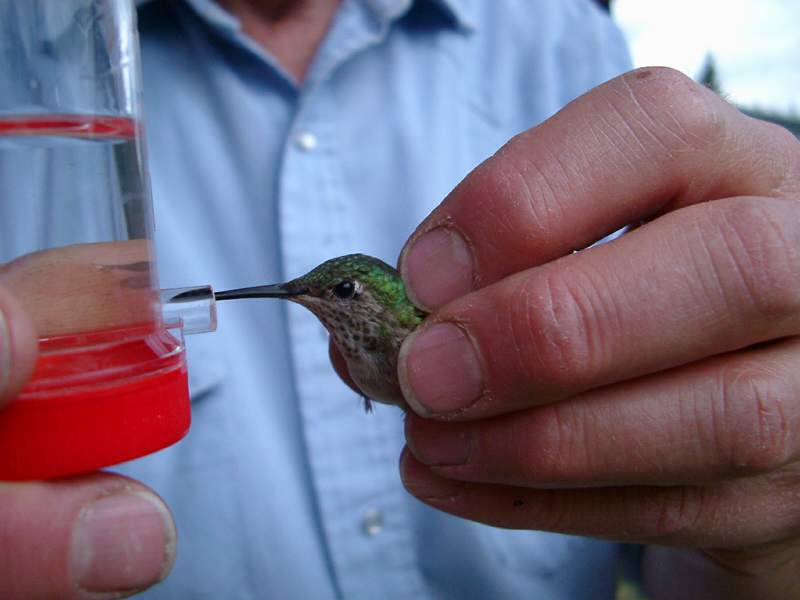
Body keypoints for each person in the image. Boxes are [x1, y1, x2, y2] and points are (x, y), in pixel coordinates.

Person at [2, 0, 800, 598]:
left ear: (379, 306)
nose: (316, 303)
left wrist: (764, 534)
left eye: (336, 295)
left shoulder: (555, 34)